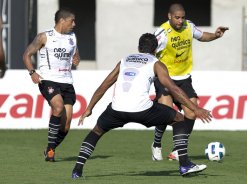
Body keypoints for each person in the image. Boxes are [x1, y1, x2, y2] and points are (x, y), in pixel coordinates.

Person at [71, 33, 212, 179]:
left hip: (116, 109)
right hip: (142, 110)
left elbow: (104, 85)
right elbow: (173, 89)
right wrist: (195, 108)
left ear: (138, 47)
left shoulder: (124, 60)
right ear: (155, 49)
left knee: (96, 131)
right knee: (179, 118)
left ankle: (77, 170)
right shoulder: (156, 63)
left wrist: (89, 108)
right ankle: (184, 164)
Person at [151, 3, 228, 162]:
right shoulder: (162, 33)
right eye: (177, 17)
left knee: (192, 112)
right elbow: (149, 52)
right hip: (165, 79)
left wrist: (216, 35)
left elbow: (202, 36)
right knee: (166, 113)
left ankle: (178, 150)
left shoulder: (189, 26)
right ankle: (156, 144)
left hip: (184, 78)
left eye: (182, 17)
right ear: (169, 16)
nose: (180, 21)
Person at [23, 8, 80, 162]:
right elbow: (26, 55)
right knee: (58, 107)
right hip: (48, 79)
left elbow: (76, 55)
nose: (74, 24)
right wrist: (32, 72)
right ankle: (50, 153)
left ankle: (50, 148)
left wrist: (76, 60)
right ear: (62, 20)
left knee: (66, 126)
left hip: (67, 81)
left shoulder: (72, 37)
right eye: (71, 21)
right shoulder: (44, 37)